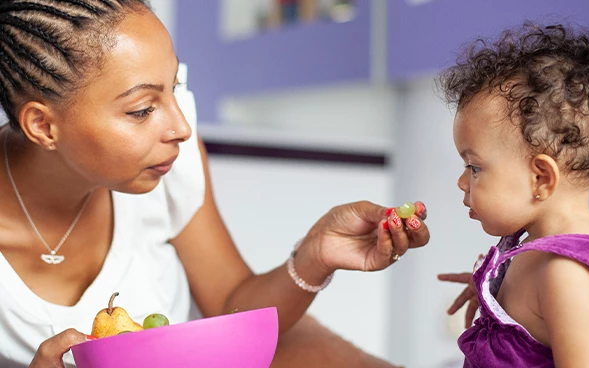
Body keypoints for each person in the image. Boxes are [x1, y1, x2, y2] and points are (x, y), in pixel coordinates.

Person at [0, 1, 430, 367]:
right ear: (42, 125)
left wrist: (317, 254)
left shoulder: (168, 163)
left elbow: (229, 304)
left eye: (176, 88)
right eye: (142, 110)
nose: (182, 128)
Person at [435, 22, 589, 367]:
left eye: (474, 167)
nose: (463, 182)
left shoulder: (567, 274)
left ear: (541, 177)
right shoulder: (537, 246)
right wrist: (494, 298)